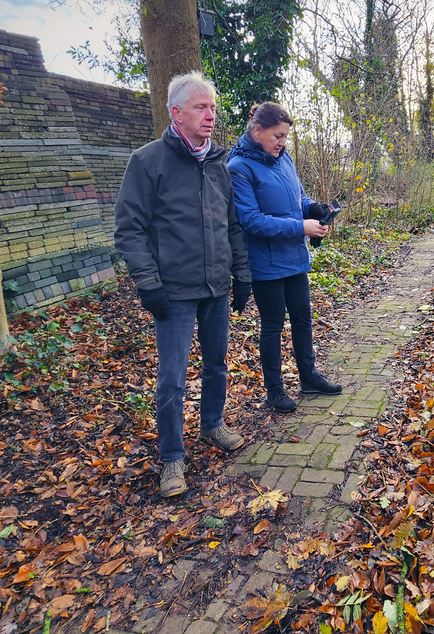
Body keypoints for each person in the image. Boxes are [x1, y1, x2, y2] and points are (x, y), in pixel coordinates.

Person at [113, 72, 252, 498]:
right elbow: (129, 229)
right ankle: (172, 456)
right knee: (172, 379)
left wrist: (242, 274)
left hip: (216, 288)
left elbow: (231, 226)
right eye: (201, 107)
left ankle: (212, 424)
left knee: (217, 364)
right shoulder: (147, 162)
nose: (211, 115)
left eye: (213, 108)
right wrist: (148, 283)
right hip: (172, 291)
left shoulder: (218, 166)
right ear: (176, 112)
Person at [227, 102, 342, 412]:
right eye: (277, 136)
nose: (282, 142)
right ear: (257, 131)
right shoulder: (239, 168)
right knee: (273, 325)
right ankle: (274, 390)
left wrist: (315, 209)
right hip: (265, 262)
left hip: (294, 257)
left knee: (303, 320)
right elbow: (251, 220)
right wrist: (301, 227)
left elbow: (298, 198)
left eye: (285, 137)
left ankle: (309, 377)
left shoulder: (284, 158)